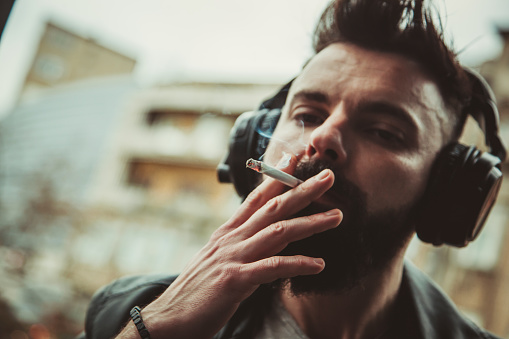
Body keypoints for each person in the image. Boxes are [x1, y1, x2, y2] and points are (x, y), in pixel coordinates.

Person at [78, 0, 506, 338]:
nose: (322, 138)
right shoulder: (130, 312)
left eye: (383, 131)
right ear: (257, 140)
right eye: (306, 114)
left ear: (443, 190)